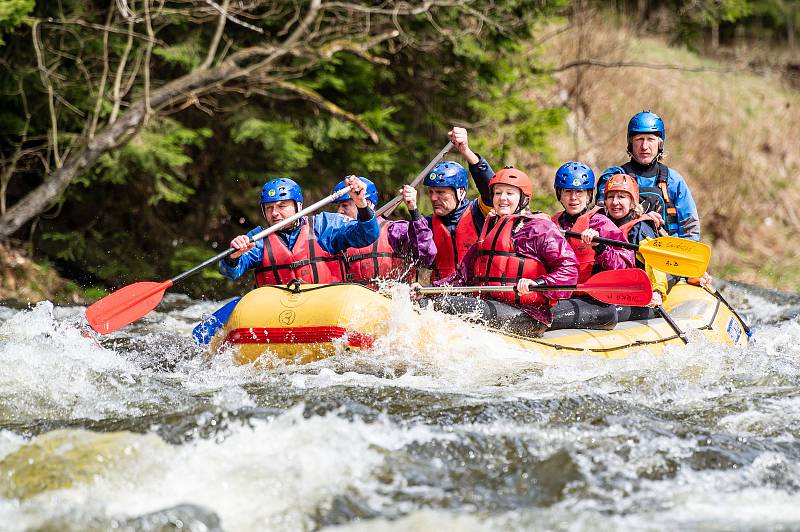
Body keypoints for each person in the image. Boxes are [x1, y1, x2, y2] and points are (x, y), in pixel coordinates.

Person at [413, 167, 579, 337]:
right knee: (429, 301)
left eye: (510, 193)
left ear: (523, 199)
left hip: (527, 315)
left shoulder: (538, 229)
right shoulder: (490, 227)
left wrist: (538, 283)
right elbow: (463, 277)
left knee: (443, 305)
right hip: (492, 305)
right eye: (498, 193)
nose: (502, 198)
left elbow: (569, 270)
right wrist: (428, 290)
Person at [219, 176, 379, 285]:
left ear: (298, 207)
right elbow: (230, 272)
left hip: (326, 306)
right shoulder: (258, 238)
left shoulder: (325, 225)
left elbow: (368, 235)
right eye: (269, 208)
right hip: (281, 312)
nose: (274, 213)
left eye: (282, 206)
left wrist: (361, 204)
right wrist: (233, 257)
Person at [548, 162, 634, 330]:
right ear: (560, 194)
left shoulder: (601, 224)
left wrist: (599, 247)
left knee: (544, 316)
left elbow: (626, 266)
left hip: (596, 304)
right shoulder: (551, 224)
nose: (574, 198)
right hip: (561, 299)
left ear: (588, 195)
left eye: (579, 192)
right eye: (568, 191)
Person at [595, 111, 701, 241]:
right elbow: (599, 218)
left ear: (659, 144)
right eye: (639, 139)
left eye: (650, 139)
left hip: (666, 254)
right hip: (622, 252)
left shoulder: (674, 181)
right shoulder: (614, 177)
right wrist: (642, 219)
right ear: (631, 143)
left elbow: (691, 229)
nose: (644, 146)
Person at [330, 176, 435, 287]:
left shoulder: (394, 230)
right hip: (353, 302)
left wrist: (413, 210)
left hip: (389, 300)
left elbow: (426, 255)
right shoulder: (337, 236)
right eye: (338, 206)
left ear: (368, 203)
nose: (339, 211)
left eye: (345, 205)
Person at [425, 127, 495, 281]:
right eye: (431, 192)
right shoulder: (426, 224)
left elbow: (491, 188)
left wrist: (466, 151)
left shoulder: (479, 213)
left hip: (476, 296)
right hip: (438, 295)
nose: (434, 198)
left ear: (461, 192)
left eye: (441, 192)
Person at [601, 173, 668, 319]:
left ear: (632, 201)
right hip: (611, 291)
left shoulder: (641, 228)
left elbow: (655, 263)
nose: (615, 202)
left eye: (622, 197)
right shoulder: (601, 224)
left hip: (637, 295)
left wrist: (657, 291)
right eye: (610, 197)